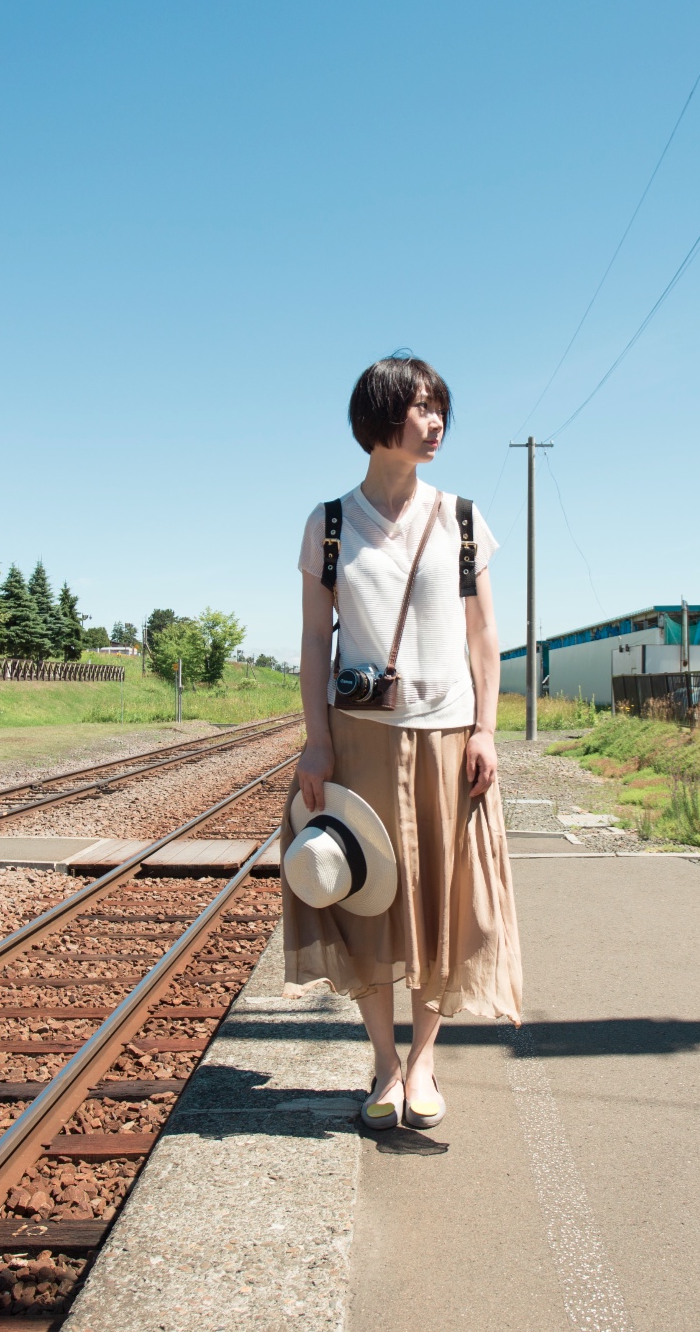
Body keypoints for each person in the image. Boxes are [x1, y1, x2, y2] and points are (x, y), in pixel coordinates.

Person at [284, 354, 522, 1132]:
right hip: (359, 738)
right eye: (420, 407)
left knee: (439, 901)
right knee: (368, 902)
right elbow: (316, 643)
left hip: (449, 734)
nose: (436, 420)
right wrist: (315, 741)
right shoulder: (328, 524)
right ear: (380, 419)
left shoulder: (460, 517)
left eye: (440, 407)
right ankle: (384, 1063)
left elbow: (485, 636)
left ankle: (424, 1062)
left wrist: (486, 725)